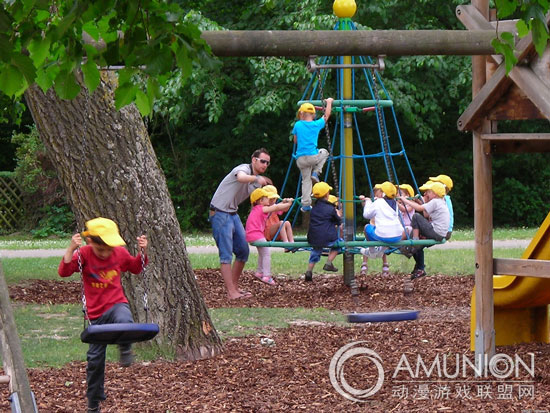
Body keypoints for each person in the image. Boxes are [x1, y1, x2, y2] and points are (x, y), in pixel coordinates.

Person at [58, 217, 148, 413]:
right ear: (90, 242)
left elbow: (135, 267)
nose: (106, 253)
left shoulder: (119, 252)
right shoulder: (84, 253)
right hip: (95, 315)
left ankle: (125, 349)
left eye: (109, 249)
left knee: (125, 320)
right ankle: (93, 402)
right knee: (95, 361)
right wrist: (70, 249)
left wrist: (143, 251)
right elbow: (64, 271)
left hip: (116, 304)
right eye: (101, 250)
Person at [209, 148, 270, 299]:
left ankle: (235, 288)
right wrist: (256, 179)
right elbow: (241, 177)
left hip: (232, 214)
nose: (265, 165)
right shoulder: (242, 168)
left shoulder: (257, 182)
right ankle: (231, 292)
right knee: (226, 255)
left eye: (267, 163)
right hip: (219, 212)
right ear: (253, 160)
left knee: (243, 251)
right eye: (262, 161)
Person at [399, 181, 450, 280]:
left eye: (429, 192)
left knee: (416, 217)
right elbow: (426, 214)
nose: (426, 194)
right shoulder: (441, 201)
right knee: (419, 243)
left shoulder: (435, 201)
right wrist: (419, 202)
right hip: (440, 233)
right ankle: (419, 266)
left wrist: (405, 201)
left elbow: (419, 210)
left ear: (434, 194)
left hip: (436, 232)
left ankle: (415, 242)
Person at [292, 98, 334, 212]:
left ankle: (305, 204)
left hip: (300, 159)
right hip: (312, 157)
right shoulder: (316, 124)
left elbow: (295, 141)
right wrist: (329, 102)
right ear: (314, 114)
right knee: (324, 152)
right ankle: (316, 172)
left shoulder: (298, 125)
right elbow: (327, 115)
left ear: (301, 114)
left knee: (305, 180)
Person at [245, 187, 293, 285]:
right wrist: (288, 204)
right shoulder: (262, 208)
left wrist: (283, 203)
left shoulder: (257, 208)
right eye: (266, 197)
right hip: (257, 234)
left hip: (251, 235)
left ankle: (259, 272)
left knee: (262, 254)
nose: (269, 199)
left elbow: (275, 206)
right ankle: (266, 276)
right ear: (260, 200)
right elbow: (275, 207)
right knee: (266, 254)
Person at [359, 182, 404, 276]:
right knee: (383, 232)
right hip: (397, 236)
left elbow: (366, 215)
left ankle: (371, 251)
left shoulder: (379, 202)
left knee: (367, 228)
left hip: (384, 236)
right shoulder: (395, 203)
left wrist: (367, 201)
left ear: (383, 193)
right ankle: (381, 251)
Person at [304, 182, 342, 282]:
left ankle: (309, 271)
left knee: (316, 251)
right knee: (339, 244)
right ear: (327, 194)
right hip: (328, 238)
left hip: (313, 238)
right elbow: (338, 221)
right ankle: (329, 262)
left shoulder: (314, 209)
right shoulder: (330, 208)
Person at [429, 174, 454, 240]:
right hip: (447, 230)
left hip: (445, 231)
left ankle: (412, 248)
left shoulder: (443, 199)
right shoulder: (446, 199)